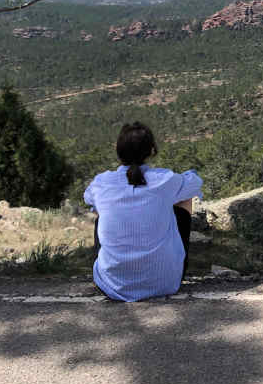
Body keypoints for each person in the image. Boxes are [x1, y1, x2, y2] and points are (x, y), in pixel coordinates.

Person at [84, 122, 203, 301]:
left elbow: (88, 198)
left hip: (111, 285)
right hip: (165, 282)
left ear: (118, 150)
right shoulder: (165, 180)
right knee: (184, 197)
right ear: (151, 151)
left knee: (100, 212)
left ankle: (116, 264)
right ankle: (172, 261)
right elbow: (196, 183)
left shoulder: (101, 183)